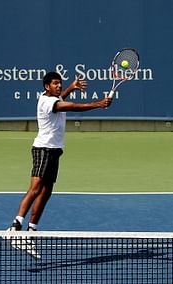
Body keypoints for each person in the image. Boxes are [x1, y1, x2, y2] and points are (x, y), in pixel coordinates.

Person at [7, 72, 112, 235]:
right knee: (35, 188)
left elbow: (61, 98)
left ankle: (31, 230)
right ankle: (15, 226)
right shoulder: (48, 102)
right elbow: (73, 107)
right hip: (43, 150)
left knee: (47, 191)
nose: (59, 86)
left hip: (54, 151)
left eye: (60, 83)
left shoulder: (51, 98)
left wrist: (71, 87)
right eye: (55, 83)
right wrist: (99, 103)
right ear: (47, 86)